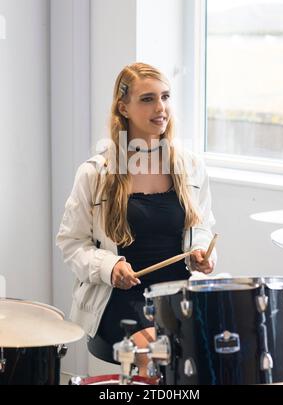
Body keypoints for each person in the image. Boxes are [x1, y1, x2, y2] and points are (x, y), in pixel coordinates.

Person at [56, 62, 217, 377]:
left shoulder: (190, 165)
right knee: (157, 354)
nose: (161, 108)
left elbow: (202, 227)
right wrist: (110, 267)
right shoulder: (95, 172)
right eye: (148, 99)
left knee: (226, 344)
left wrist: (201, 252)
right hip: (119, 297)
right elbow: (72, 244)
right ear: (123, 108)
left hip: (178, 293)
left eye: (166, 97)